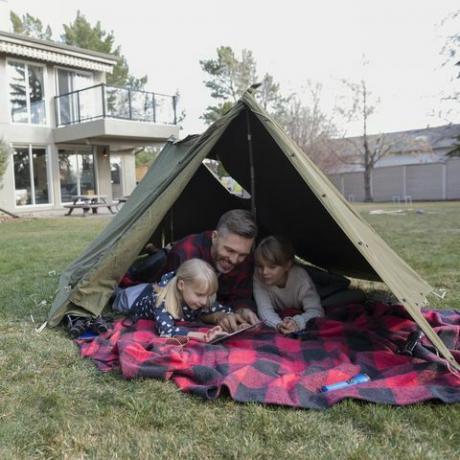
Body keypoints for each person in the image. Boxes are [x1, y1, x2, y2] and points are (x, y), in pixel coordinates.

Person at [163, 209, 260, 332]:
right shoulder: (185, 253)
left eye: (242, 255)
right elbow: (176, 306)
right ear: (214, 237)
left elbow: (242, 296)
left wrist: (243, 310)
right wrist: (215, 317)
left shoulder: (246, 259)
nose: (235, 260)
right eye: (229, 250)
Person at [130, 258, 231, 342]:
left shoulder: (197, 297)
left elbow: (221, 309)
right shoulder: (162, 301)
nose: (204, 301)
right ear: (181, 285)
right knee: (122, 296)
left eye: (207, 296)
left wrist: (234, 320)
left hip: (151, 290)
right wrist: (202, 336)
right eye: (199, 295)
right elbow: (167, 331)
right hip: (133, 299)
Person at [253, 236, 325, 335]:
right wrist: (278, 324)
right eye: (260, 266)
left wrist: (298, 322)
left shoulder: (301, 278)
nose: (264, 272)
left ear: (287, 265)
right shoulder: (258, 276)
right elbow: (265, 310)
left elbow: (316, 310)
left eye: (272, 267)